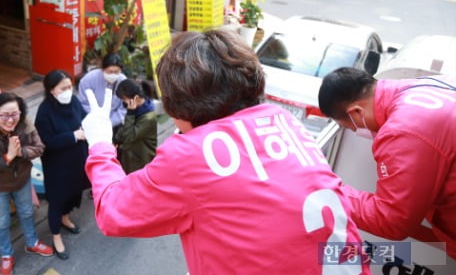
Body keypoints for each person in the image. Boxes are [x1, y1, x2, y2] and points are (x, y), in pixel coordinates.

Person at [81, 30, 371, 274]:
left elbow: (112, 211)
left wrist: (100, 144)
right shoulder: (282, 120)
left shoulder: (190, 154)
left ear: (175, 105)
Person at [318, 67, 456, 259]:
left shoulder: (403, 131)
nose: (354, 130)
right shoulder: (422, 85)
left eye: (347, 126)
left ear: (356, 112)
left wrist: (326, 192)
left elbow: (392, 221)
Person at [0, 92, 54, 275]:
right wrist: (7, 157)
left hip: (21, 180)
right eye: (5, 115)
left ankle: (32, 243)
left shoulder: (25, 124)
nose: (10, 120)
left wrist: (20, 153)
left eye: (15, 114)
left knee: (26, 212)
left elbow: (40, 147)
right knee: (2, 222)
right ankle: (6, 255)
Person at [34, 70, 90, 260]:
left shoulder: (73, 101)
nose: (68, 90)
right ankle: (56, 236)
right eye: (63, 88)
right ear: (52, 90)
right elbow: (47, 142)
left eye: (69, 86)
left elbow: (84, 118)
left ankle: (66, 218)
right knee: (57, 200)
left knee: (74, 193)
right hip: (57, 166)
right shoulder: (44, 112)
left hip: (77, 161)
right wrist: (73, 136)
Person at [114, 79, 157, 174]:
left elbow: (128, 136)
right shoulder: (137, 110)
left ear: (135, 98)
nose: (124, 102)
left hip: (140, 163)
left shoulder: (147, 118)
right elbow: (123, 130)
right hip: (131, 159)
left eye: (124, 99)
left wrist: (130, 113)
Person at [78, 52, 127, 136]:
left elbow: (123, 108)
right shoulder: (88, 80)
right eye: (110, 71)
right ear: (102, 69)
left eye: (116, 72)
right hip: (93, 122)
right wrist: (98, 120)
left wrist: (110, 123)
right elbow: (84, 103)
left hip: (113, 124)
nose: (113, 74)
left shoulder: (123, 81)